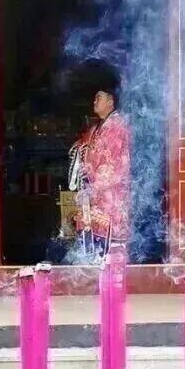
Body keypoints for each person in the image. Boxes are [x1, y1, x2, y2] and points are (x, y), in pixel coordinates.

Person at [69, 83, 130, 258]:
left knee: (109, 252)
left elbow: (113, 165)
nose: (94, 101)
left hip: (111, 197)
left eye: (99, 98)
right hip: (95, 196)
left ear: (111, 101)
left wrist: (91, 185)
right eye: (95, 98)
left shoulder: (116, 126)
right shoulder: (97, 128)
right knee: (92, 248)